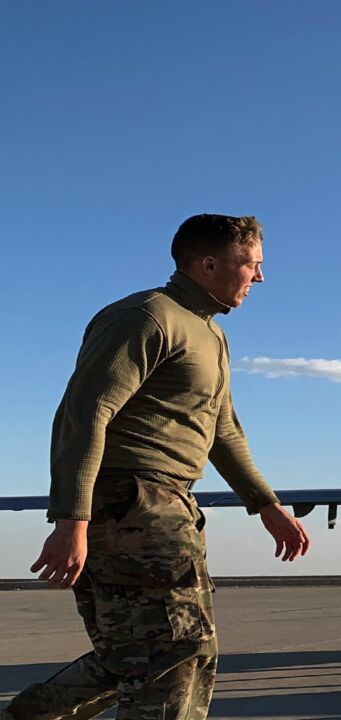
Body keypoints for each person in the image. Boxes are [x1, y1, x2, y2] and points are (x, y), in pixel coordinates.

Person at [2, 214, 310, 720]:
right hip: (134, 502)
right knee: (178, 652)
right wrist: (71, 522)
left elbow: (223, 431)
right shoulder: (147, 317)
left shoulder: (210, 335)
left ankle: (30, 714)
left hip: (162, 502)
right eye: (251, 265)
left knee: (131, 654)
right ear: (209, 264)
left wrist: (267, 506)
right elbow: (85, 414)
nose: (259, 278)